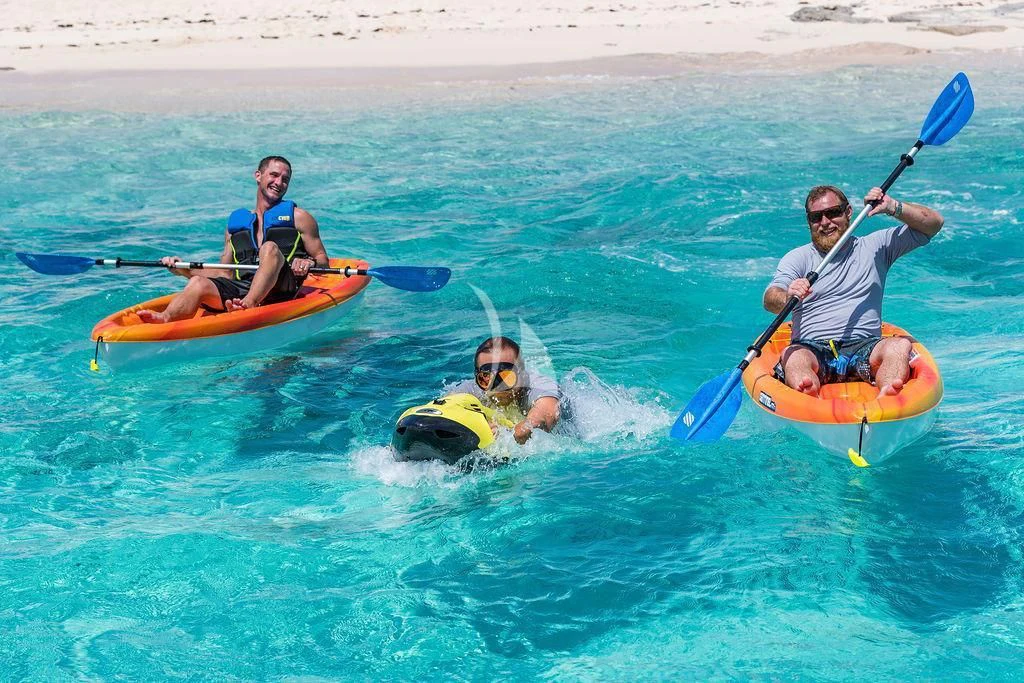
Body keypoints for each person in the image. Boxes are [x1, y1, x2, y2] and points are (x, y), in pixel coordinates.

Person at [764, 184, 943, 398]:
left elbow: (933, 224)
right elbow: (770, 299)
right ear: (809, 222)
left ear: (848, 212)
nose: (825, 223)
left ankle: (887, 392)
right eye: (816, 217)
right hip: (812, 348)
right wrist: (788, 296)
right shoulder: (798, 258)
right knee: (794, 357)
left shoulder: (876, 247)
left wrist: (893, 207)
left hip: (865, 346)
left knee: (898, 346)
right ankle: (808, 392)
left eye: (833, 213)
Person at [138, 156, 329, 323]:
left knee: (269, 248)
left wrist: (308, 261)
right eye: (274, 175)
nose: (279, 183)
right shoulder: (235, 226)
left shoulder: (300, 217)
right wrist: (183, 269)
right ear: (258, 176)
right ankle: (166, 318)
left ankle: (249, 304)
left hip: (282, 290)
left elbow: (323, 261)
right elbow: (225, 273)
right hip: (243, 289)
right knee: (197, 283)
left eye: (285, 179)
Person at [447, 336, 562, 445]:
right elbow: (442, 410)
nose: (498, 387)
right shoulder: (474, 388)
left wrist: (510, 435)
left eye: (506, 376)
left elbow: (546, 414)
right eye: (488, 377)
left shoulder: (538, 386)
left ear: (522, 375)